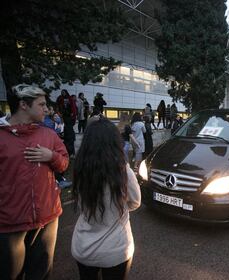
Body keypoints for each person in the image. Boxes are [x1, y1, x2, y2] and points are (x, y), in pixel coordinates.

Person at [0, 84, 69, 279]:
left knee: (41, 274)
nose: (47, 109)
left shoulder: (48, 134)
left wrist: (51, 156)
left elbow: (64, 165)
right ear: (23, 105)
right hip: (10, 224)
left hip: (48, 218)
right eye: (42, 104)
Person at [71, 118, 141, 280]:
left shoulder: (80, 169)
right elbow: (135, 202)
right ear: (114, 141)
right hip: (116, 250)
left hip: (83, 247)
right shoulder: (123, 171)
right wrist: (117, 205)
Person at [57, 89, 77, 157]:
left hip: (68, 116)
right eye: (62, 92)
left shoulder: (69, 98)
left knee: (69, 134)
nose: (63, 93)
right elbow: (58, 105)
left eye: (64, 92)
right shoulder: (60, 98)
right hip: (63, 115)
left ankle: (70, 152)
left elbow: (73, 107)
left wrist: (72, 114)